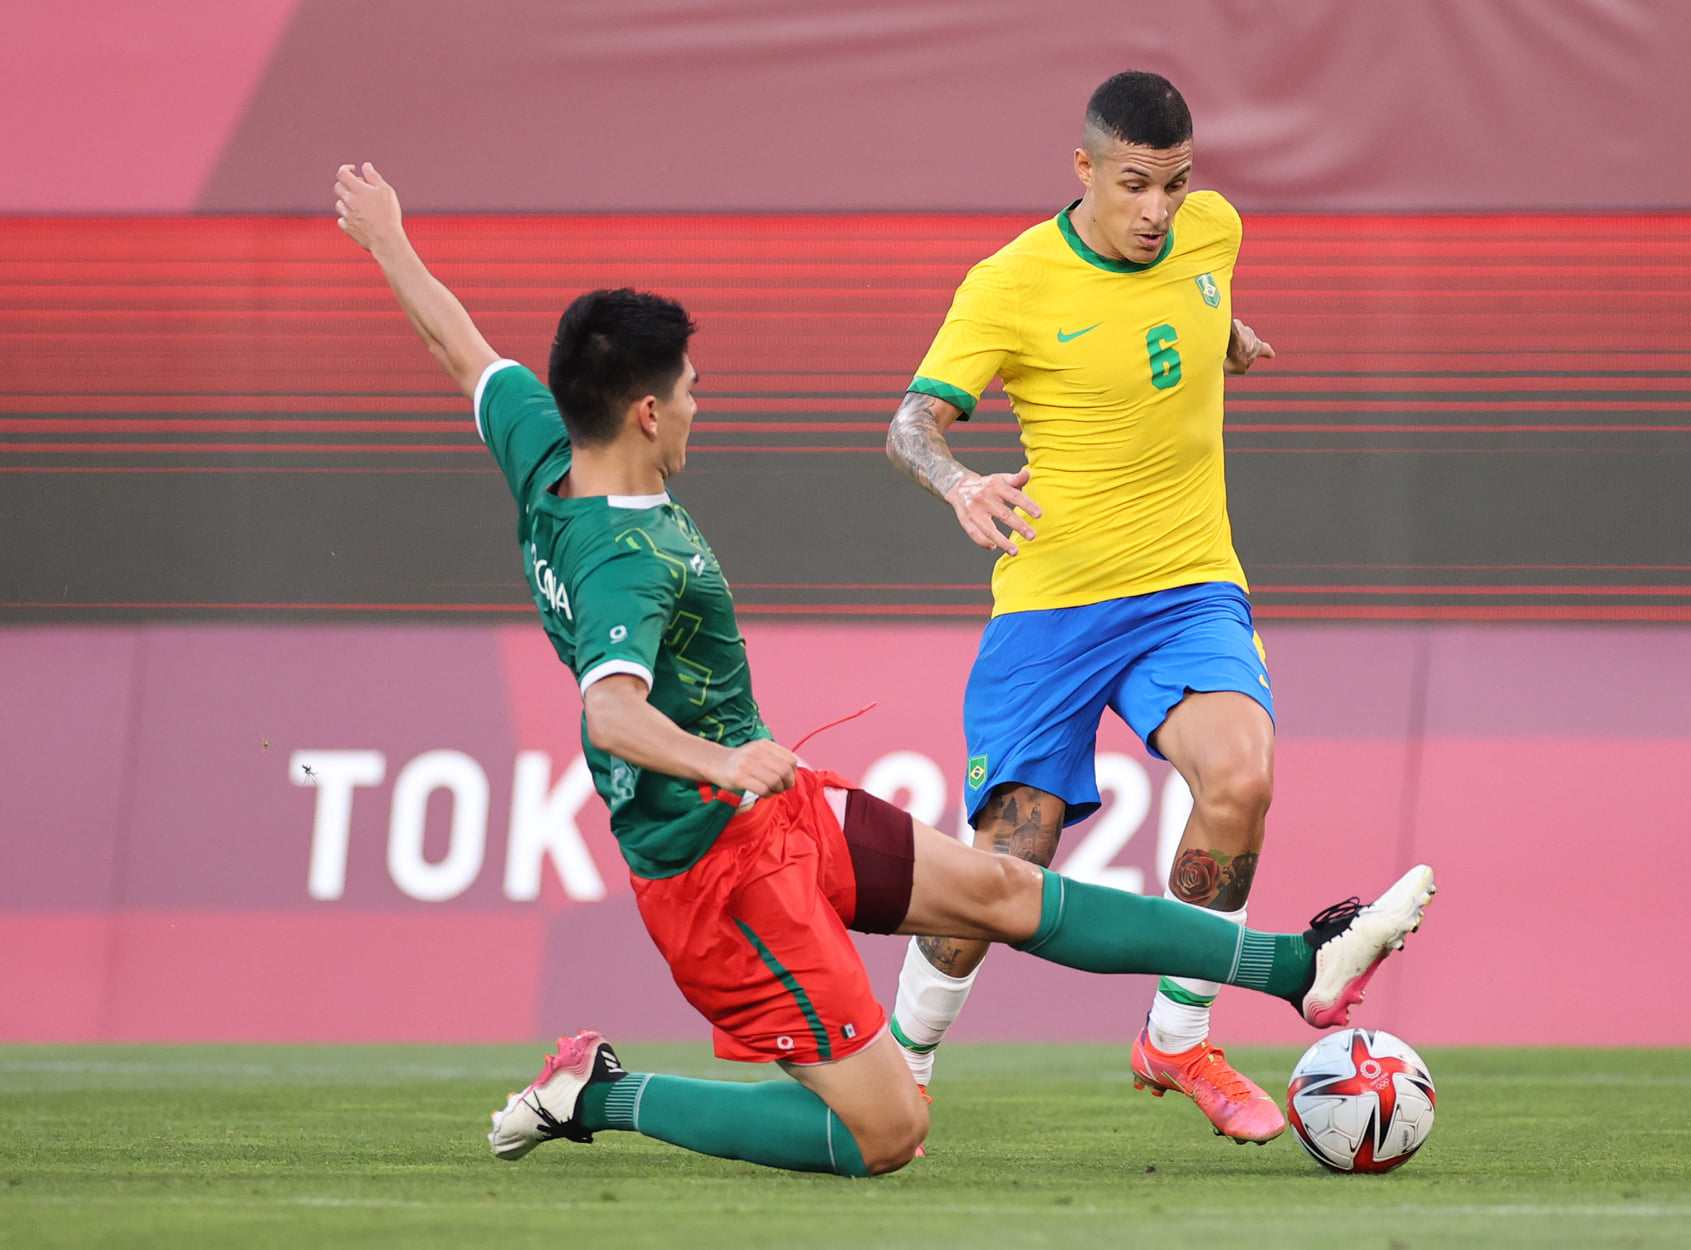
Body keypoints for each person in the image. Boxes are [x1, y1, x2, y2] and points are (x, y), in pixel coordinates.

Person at [334, 160, 1434, 1178]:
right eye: (694, 389)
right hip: (717, 873)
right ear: (648, 411)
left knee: (1007, 888)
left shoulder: (544, 446)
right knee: (888, 1131)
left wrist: (389, 245)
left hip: (780, 815)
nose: (701, 407)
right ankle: (599, 1094)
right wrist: (723, 759)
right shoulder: (625, 555)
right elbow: (613, 711)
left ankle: (1304, 961)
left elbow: (462, 350)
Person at [883, 71, 1302, 1144]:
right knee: (1006, 863)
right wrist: (962, 482)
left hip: (1186, 588)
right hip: (1054, 602)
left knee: (1241, 776)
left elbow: (1176, 313)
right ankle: (902, 1061)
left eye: (1174, 184)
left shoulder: (1213, 233)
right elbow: (911, 425)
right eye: (1133, 185)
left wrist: (1228, 336)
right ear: (1083, 170)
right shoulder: (1010, 281)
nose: (1157, 210)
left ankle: (1178, 1035)